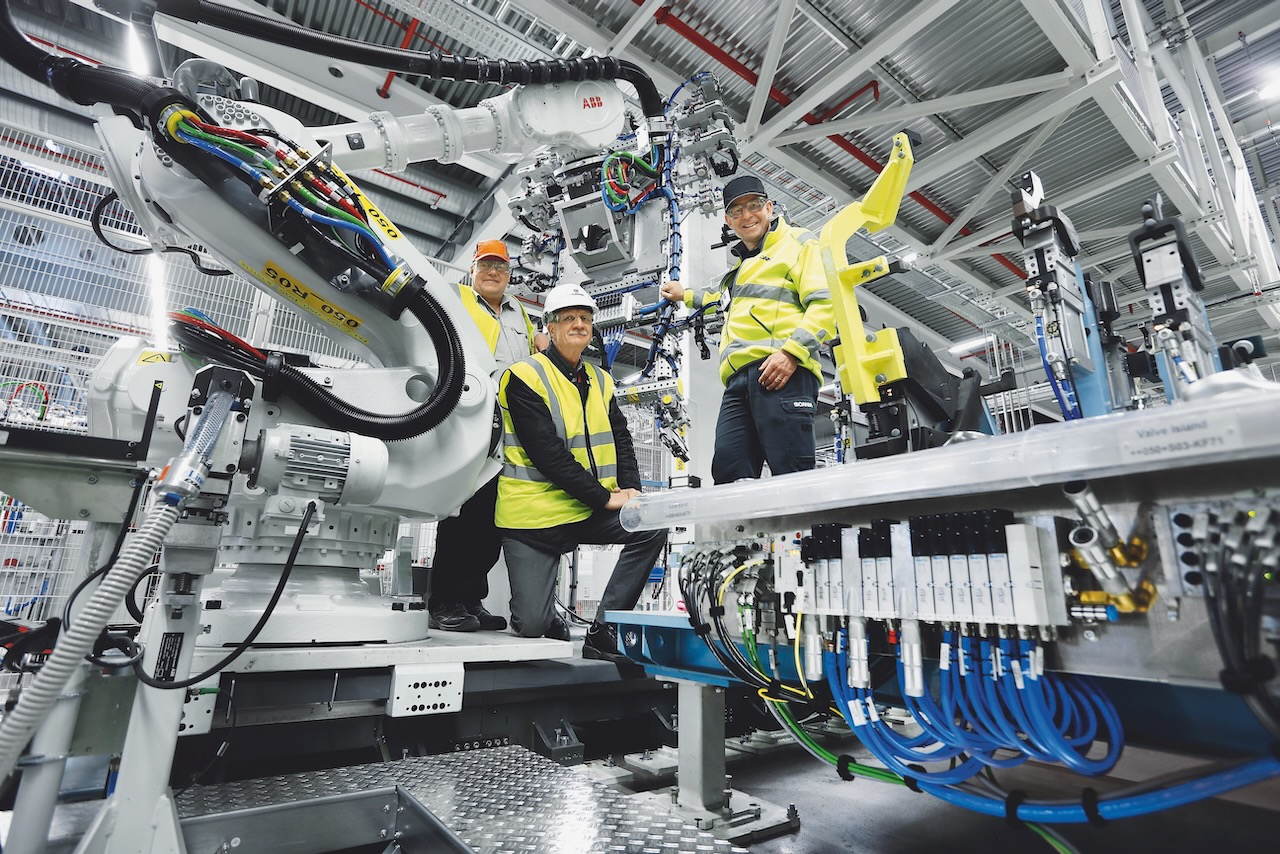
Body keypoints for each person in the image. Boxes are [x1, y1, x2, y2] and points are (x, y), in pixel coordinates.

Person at [496, 282, 667, 660]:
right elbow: (548, 456)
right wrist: (606, 498)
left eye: (585, 319)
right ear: (550, 329)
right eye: (568, 318)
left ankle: (605, 631)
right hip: (534, 519)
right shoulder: (524, 376)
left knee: (650, 527)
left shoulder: (601, 380)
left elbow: (622, 441)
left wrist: (631, 491)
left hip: (586, 512)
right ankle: (543, 614)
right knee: (533, 628)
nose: (579, 324)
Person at [660, 175, 834, 484]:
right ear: (728, 220)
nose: (747, 215)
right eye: (737, 211)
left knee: (792, 476)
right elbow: (718, 299)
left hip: (782, 372)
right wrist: (684, 294)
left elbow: (824, 305)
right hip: (738, 383)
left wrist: (791, 354)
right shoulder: (741, 268)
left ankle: (805, 532)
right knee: (728, 471)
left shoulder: (797, 242)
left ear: (769, 208)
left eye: (754, 206)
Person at [429, 239, 547, 632]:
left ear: (510, 272)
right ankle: (444, 601)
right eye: (485, 265)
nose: (492, 272)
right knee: (462, 513)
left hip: (512, 427)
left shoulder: (521, 313)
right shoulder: (456, 297)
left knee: (494, 516)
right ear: (473, 269)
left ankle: (470, 599)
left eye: (499, 266)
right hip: (472, 418)